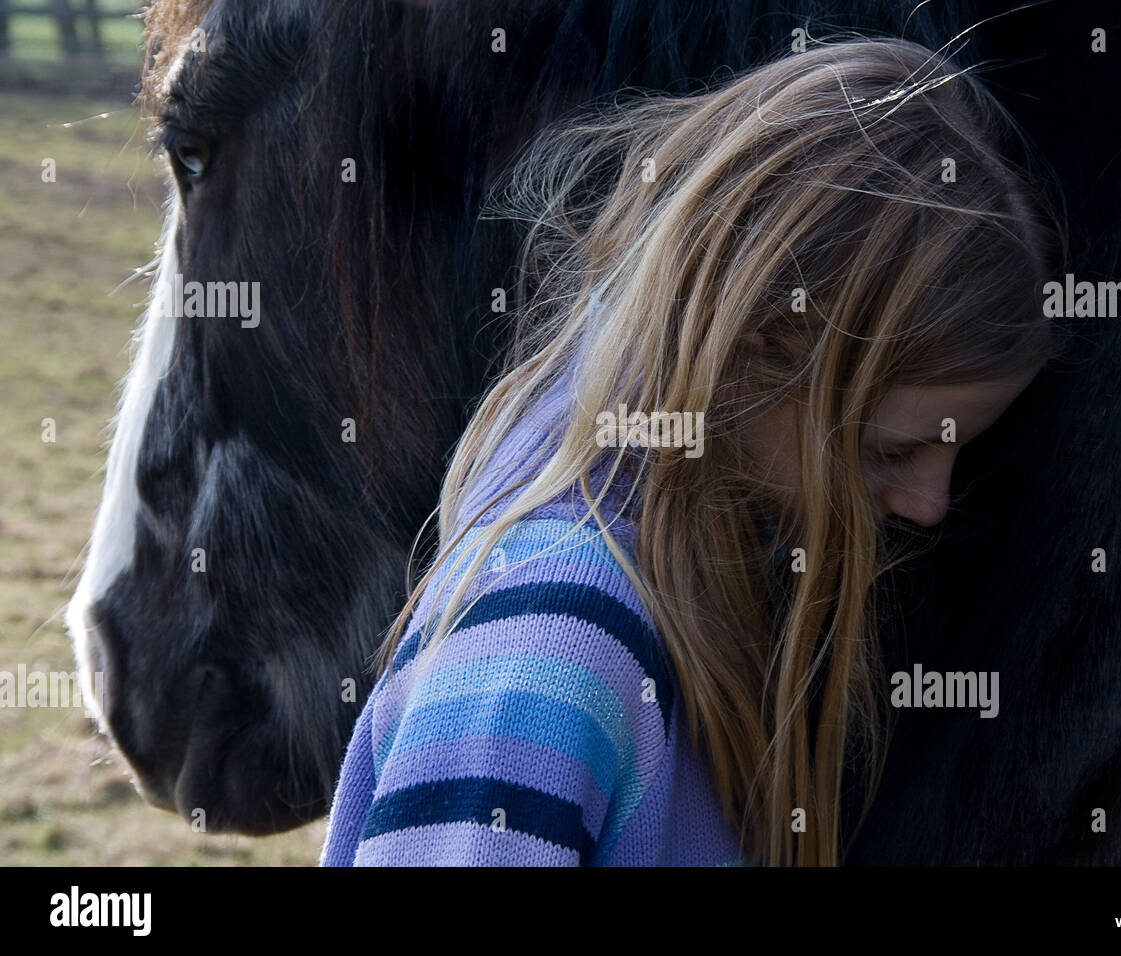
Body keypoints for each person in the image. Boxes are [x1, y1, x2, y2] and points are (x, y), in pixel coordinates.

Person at [320, 35, 1067, 867]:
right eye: (892, 452)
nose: (930, 503)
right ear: (755, 349)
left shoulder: (690, 592)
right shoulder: (551, 641)